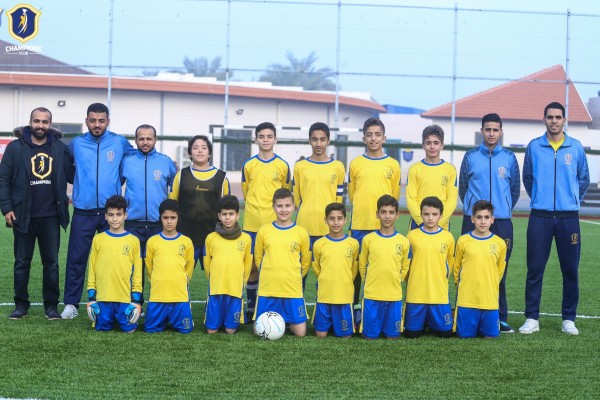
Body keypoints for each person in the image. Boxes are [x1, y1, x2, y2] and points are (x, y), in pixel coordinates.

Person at [519, 101, 590, 336]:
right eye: (550, 117)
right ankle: (532, 318)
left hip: (568, 218)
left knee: (570, 270)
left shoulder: (576, 147)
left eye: (558, 117)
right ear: (544, 120)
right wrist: (541, 198)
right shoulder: (534, 146)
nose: (554, 121)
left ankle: (568, 319)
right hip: (540, 217)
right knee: (535, 269)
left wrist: (571, 200)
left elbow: (583, 179)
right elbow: (528, 178)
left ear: (564, 120)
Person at [62, 103, 134, 319]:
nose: (97, 124)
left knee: (112, 261)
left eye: (101, 121)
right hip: (83, 211)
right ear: (86, 121)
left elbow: (137, 160)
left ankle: (114, 301)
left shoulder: (119, 142)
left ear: (108, 122)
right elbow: (64, 165)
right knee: (76, 259)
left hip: (110, 214)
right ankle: (71, 304)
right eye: (93, 120)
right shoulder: (76, 144)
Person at [0, 107, 74, 320]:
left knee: (51, 264)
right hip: (23, 215)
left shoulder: (60, 148)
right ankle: (20, 305)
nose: (40, 125)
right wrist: (6, 208)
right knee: (21, 262)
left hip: (51, 216)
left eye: (44, 122)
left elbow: (72, 175)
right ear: (30, 122)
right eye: (37, 121)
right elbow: (3, 179)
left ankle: (51, 307)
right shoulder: (15, 148)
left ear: (50, 124)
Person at [459, 113, 520, 333]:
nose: (491, 133)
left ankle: (499, 317)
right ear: (482, 131)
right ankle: (465, 315)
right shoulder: (470, 156)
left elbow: (514, 190)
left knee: (499, 272)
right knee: (468, 270)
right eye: (488, 129)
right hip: (472, 221)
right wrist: (475, 211)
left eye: (495, 130)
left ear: (501, 132)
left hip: (501, 221)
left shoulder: (510, 158)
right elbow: (463, 187)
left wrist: (501, 209)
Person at [348, 117, 401, 326]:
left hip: (383, 228)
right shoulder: (356, 163)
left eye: (377, 134)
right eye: (369, 135)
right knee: (356, 271)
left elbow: (394, 195)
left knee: (381, 269)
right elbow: (353, 193)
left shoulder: (392, 164)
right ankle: (354, 309)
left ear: (384, 138)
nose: (373, 138)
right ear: (363, 138)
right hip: (360, 225)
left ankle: (381, 309)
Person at [121, 124, 177, 307]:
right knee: (133, 269)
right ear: (136, 140)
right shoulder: (126, 161)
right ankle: (135, 305)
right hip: (132, 224)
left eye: (149, 138)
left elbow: (175, 187)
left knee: (159, 268)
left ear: (155, 140)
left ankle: (159, 305)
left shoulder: (166, 162)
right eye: (141, 139)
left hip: (158, 225)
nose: (145, 142)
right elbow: (116, 184)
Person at [241, 122, 291, 322]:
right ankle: (251, 307)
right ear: (256, 140)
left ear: (275, 139)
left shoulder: (282, 165)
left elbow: (285, 193)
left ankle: (275, 306)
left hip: (274, 226)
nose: (265, 140)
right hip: (251, 224)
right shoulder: (249, 165)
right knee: (252, 267)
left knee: (273, 266)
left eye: (269, 136)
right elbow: (246, 192)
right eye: (261, 136)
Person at [253, 188, 310, 337]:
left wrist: (294, 276)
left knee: (300, 333)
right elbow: (258, 259)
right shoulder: (264, 231)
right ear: (273, 207)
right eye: (279, 206)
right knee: (258, 331)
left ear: (293, 206)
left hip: (292, 288)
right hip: (268, 289)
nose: (284, 210)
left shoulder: (301, 232)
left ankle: (286, 321)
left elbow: (305, 262)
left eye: (287, 206)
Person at [169, 135, 229, 266]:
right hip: (185, 234)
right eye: (195, 148)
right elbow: (172, 205)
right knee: (181, 273)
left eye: (204, 148)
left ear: (209, 153)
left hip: (213, 234)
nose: (200, 151)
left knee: (215, 274)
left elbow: (227, 208)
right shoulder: (181, 175)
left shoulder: (221, 177)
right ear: (190, 153)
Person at [85, 195, 143, 332]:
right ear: (105, 216)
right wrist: (92, 297)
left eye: (119, 214)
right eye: (111, 215)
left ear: (125, 215)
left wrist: (136, 300)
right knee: (102, 328)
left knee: (129, 330)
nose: (115, 219)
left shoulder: (133, 241)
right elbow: (92, 269)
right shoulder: (98, 239)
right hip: (103, 298)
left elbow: (137, 273)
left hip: (125, 299)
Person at [358, 195, 411, 340]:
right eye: (383, 212)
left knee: (392, 337)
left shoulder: (404, 241)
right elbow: (362, 264)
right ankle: (360, 317)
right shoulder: (368, 239)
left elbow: (405, 267)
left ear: (397, 215)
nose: (387, 216)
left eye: (391, 212)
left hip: (393, 295)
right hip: (372, 295)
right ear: (377, 214)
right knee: (370, 337)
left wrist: (396, 280)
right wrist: (368, 281)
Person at [453, 200, 507, 339]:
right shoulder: (463, 241)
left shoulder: (500, 243)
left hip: (489, 300)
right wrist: (460, 286)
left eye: (486, 217)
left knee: (491, 336)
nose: (483, 221)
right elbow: (456, 267)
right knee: (465, 336)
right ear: (472, 219)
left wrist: (491, 285)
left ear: (492, 220)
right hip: (467, 300)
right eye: (479, 217)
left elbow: (500, 270)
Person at [404, 197, 455, 338]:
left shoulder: (448, 237)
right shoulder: (412, 236)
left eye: (434, 214)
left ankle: (431, 320)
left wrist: (443, 277)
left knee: (446, 334)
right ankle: (424, 320)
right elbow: (406, 262)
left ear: (441, 215)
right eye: (426, 214)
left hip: (438, 293)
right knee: (411, 334)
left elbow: (450, 262)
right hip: (416, 294)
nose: (430, 218)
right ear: (421, 214)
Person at [144, 199, 195, 333]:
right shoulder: (152, 241)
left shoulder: (186, 241)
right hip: (157, 296)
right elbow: (149, 267)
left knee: (186, 330)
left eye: (173, 217)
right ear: (160, 218)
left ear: (178, 218)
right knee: (150, 330)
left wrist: (183, 279)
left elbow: (189, 265)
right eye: (165, 217)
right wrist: (156, 280)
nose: (169, 221)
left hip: (180, 297)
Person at [203, 195, 253, 334]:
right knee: (211, 331)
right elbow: (207, 263)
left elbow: (247, 264)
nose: (227, 217)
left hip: (234, 288)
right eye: (224, 214)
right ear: (219, 216)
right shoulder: (211, 238)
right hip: (216, 287)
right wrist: (213, 279)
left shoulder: (246, 239)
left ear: (237, 215)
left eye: (231, 214)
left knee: (230, 330)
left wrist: (241, 282)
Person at [293, 122, 345, 248]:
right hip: (305, 223)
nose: (318, 144)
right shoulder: (300, 166)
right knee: (302, 261)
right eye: (314, 139)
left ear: (328, 141)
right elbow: (296, 197)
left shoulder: (338, 167)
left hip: (328, 226)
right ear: (309, 141)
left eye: (322, 139)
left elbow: (338, 199)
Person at [311, 203, 359, 338]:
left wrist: (345, 280)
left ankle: (356, 315)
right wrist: (326, 279)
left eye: (339, 218)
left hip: (344, 296)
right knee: (320, 335)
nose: (336, 222)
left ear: (345, 220)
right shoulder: (319, 244)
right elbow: (316, 268)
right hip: (324, 295)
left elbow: (354, 269)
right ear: (325, 220)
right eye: (332, 219)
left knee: (346, 336)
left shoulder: (353, 244)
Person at [406, 125, 457, 231]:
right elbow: (411, 199)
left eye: (436, 143)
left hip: (442, 225)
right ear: (423, 145)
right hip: (418, 224)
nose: (432, 147)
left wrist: (438, 223)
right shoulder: (414, 169)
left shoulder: (450, 169)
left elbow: (452, 200)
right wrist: (422, 222)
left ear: (442, 145)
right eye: (428, 143)